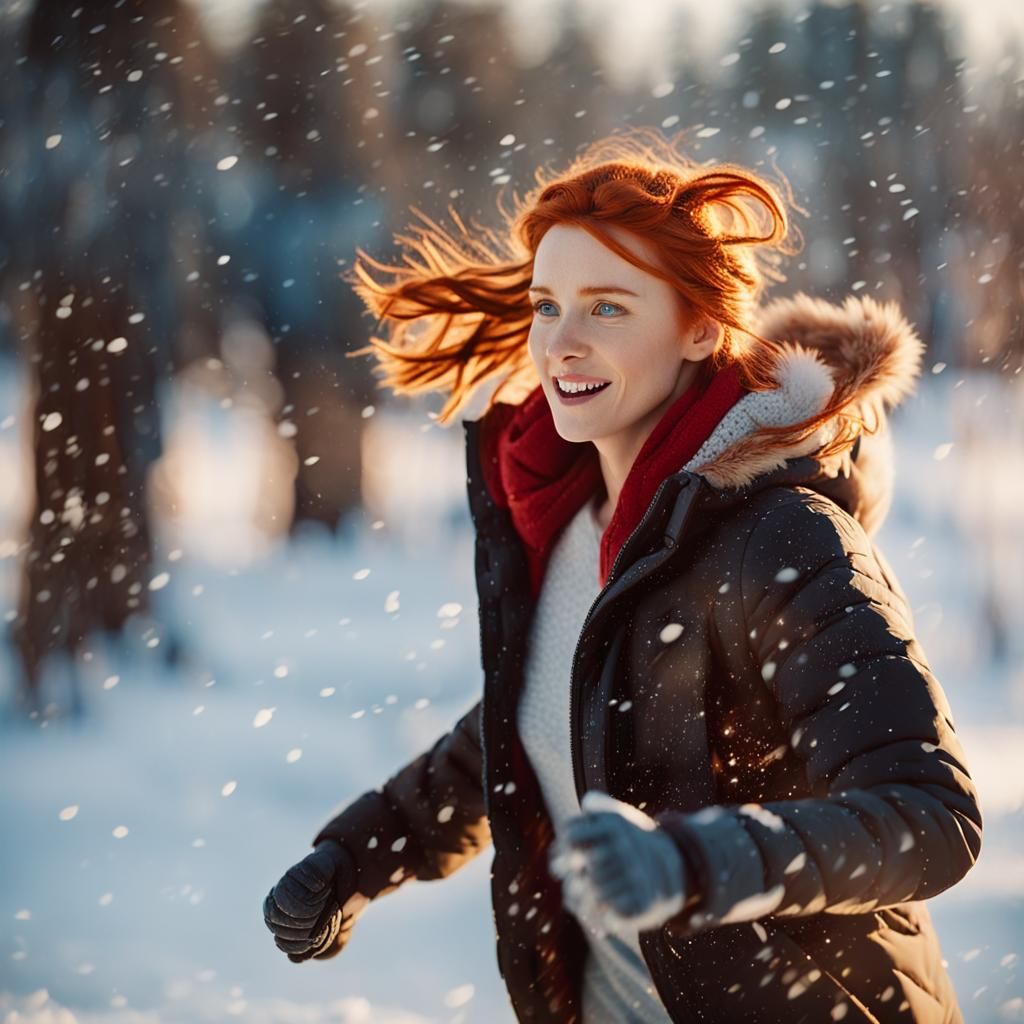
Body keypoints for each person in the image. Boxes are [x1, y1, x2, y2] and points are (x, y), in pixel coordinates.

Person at [262, 127, 982, 1022]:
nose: (560, 343)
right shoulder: (568, 526)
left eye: (607, 308)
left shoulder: (784, 538)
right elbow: (532, 727)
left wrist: (692, 865)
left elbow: (928, 816)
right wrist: (358, 857)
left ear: (699, 326)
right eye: (545, 305)